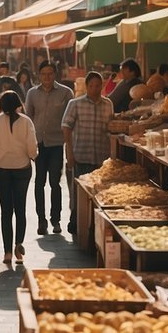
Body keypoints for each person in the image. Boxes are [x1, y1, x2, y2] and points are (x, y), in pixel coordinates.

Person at [0, 90, 37, 265]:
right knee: (21, 209)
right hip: (22, 168)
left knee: (6, 212)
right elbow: (32, 146)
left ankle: (7, 252)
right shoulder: (26, 121)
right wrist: (33, 155)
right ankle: (19, 246)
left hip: (3, 170)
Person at [63, 72, 115, 236]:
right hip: (81, 156)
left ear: (102, 86)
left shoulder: (108, 104)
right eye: (91, 86)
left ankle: (95, 228)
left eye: (98, 86)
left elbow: (111, 127)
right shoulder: (75, 104)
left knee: (101, 195)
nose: (95, 89)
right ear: (87, 86)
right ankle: (76, 222)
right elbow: (66, 127)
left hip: (101, 158)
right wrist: (69, 152)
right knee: (80, 194)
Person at [26, 61, 71, 235]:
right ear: (39, 75)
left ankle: (56, 219)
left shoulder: (65, 93)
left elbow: (69, 119)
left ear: (55, 75)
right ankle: (41, 219)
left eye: (50, 73)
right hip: (39, 143)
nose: (47, 77)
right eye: (43, 74)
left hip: (57, 143)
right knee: (39, 182)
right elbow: (28, 120)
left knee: (55, 183)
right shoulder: (32, 93)